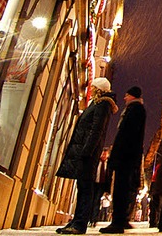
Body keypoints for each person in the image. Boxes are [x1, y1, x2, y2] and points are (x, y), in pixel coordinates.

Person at [55, 78, 118, 234]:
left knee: (86, 188)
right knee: (82, 187)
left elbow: (96, 130)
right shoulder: (98, 103)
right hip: (85, 151)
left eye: (94, 87)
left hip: (87, 153)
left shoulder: (103, 104)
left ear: (99, 89)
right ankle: (76, 221)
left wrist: (86, 151)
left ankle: (80, 224)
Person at [100, 86, 146, 234]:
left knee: (121, 189)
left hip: (125, 156)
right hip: (127, 156)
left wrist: (117, 155)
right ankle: (121, 220)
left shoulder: (135, 110)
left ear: (132, 96)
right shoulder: (135, 109)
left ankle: (118, 222)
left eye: (126, 95)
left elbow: (127, 135)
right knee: (123, 189)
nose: (124, 98)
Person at [90, 148, 112, 226]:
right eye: (102, 154)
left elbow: (109, 177)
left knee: (97, 201)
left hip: (102, 185)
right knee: (91, 200)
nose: (103, 155)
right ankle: (90, 218)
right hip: (94, 183)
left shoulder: (108, 164)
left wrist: (108, 190)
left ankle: (93, 219)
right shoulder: (96, 162)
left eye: (105, 154)